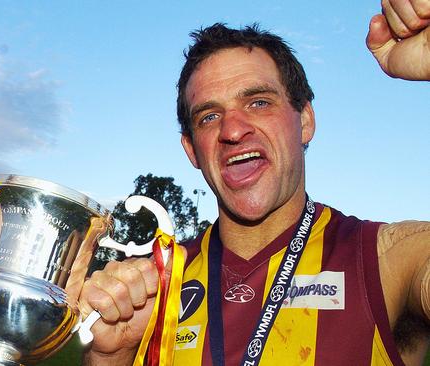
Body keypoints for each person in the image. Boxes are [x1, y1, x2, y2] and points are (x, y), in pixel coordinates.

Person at [79, 1, 430, 365]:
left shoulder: (387, 258)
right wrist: (112, 356)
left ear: (305, 121)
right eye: (209, 116)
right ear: (192, 150)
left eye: (259, 102)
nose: (232, 130)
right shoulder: (154, 287)